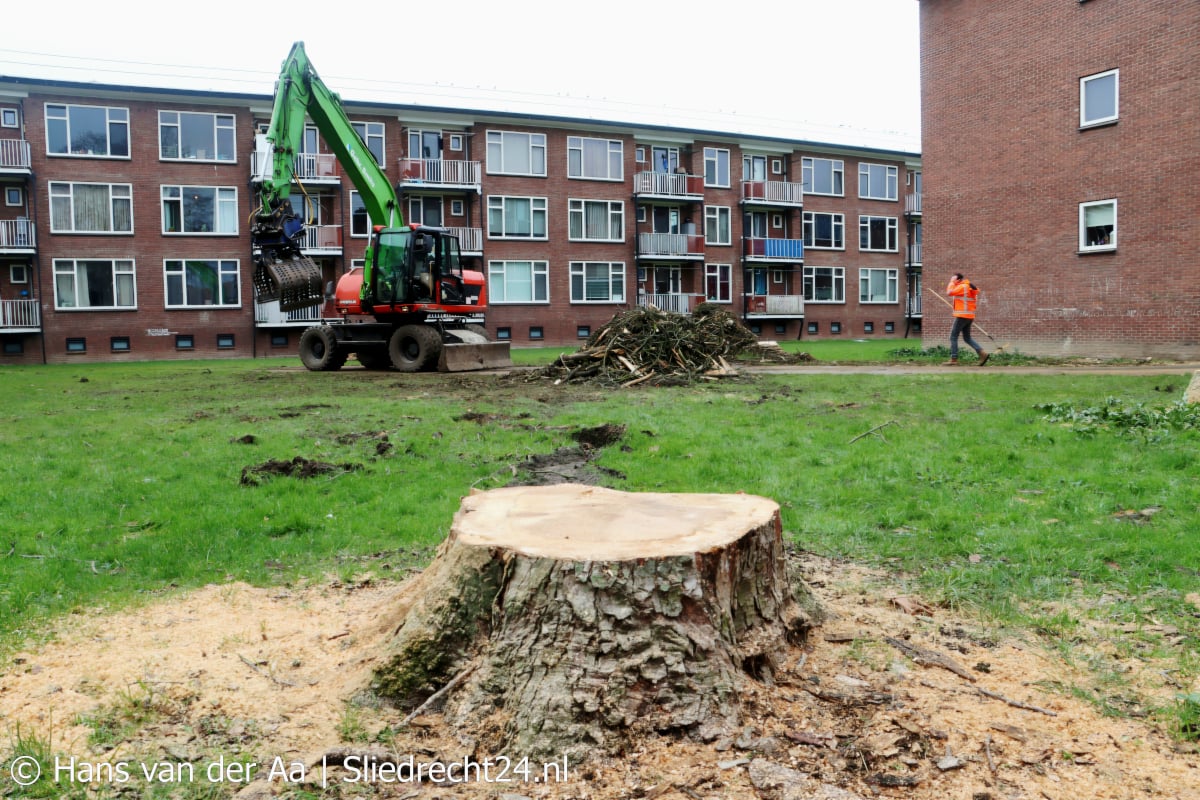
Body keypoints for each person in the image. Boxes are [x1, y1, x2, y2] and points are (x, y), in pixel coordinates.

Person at [945, 273, 989, 366]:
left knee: (953, 337)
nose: (953, 281)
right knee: (967, 338)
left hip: (962, 316)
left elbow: (949, 292)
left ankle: (954, 359)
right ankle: (982, 353)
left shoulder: (962, 287)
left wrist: (951, 282)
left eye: (954, 279)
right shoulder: (969, 287)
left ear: (959, 280)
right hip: (969, 316)